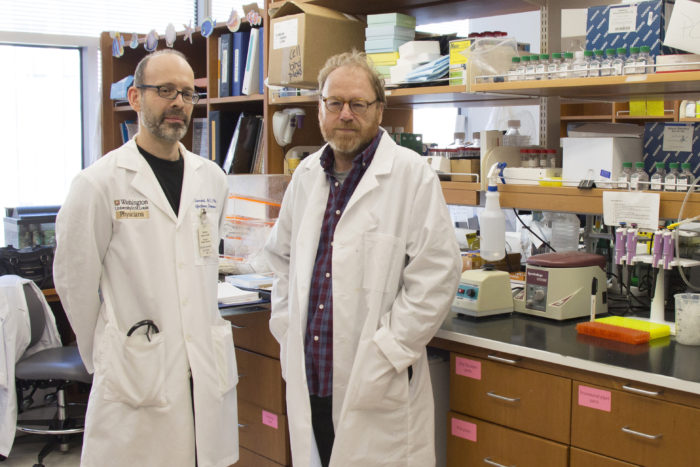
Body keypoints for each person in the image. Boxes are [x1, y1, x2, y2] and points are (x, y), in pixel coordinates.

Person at [264, 50, 462, 467]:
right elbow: (280, 261)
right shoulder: (305, 177)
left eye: (358, 104)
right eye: (334, 103)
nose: (345, 114)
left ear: (379, 110)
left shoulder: (411, 176)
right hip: (311, 376)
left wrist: (388, 352)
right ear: (320, 108)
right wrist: (285, 326)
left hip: (375, 380)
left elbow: (437, 276)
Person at [53, 49, 238, 467]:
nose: (178, 103)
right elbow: (73, 281)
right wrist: (107, 351)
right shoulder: (98, 183)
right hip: (137, 367)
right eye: (165, 90)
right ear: (136, 97)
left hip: (202, 366)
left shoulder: (212, 179)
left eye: (188, 94)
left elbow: (204, 263)